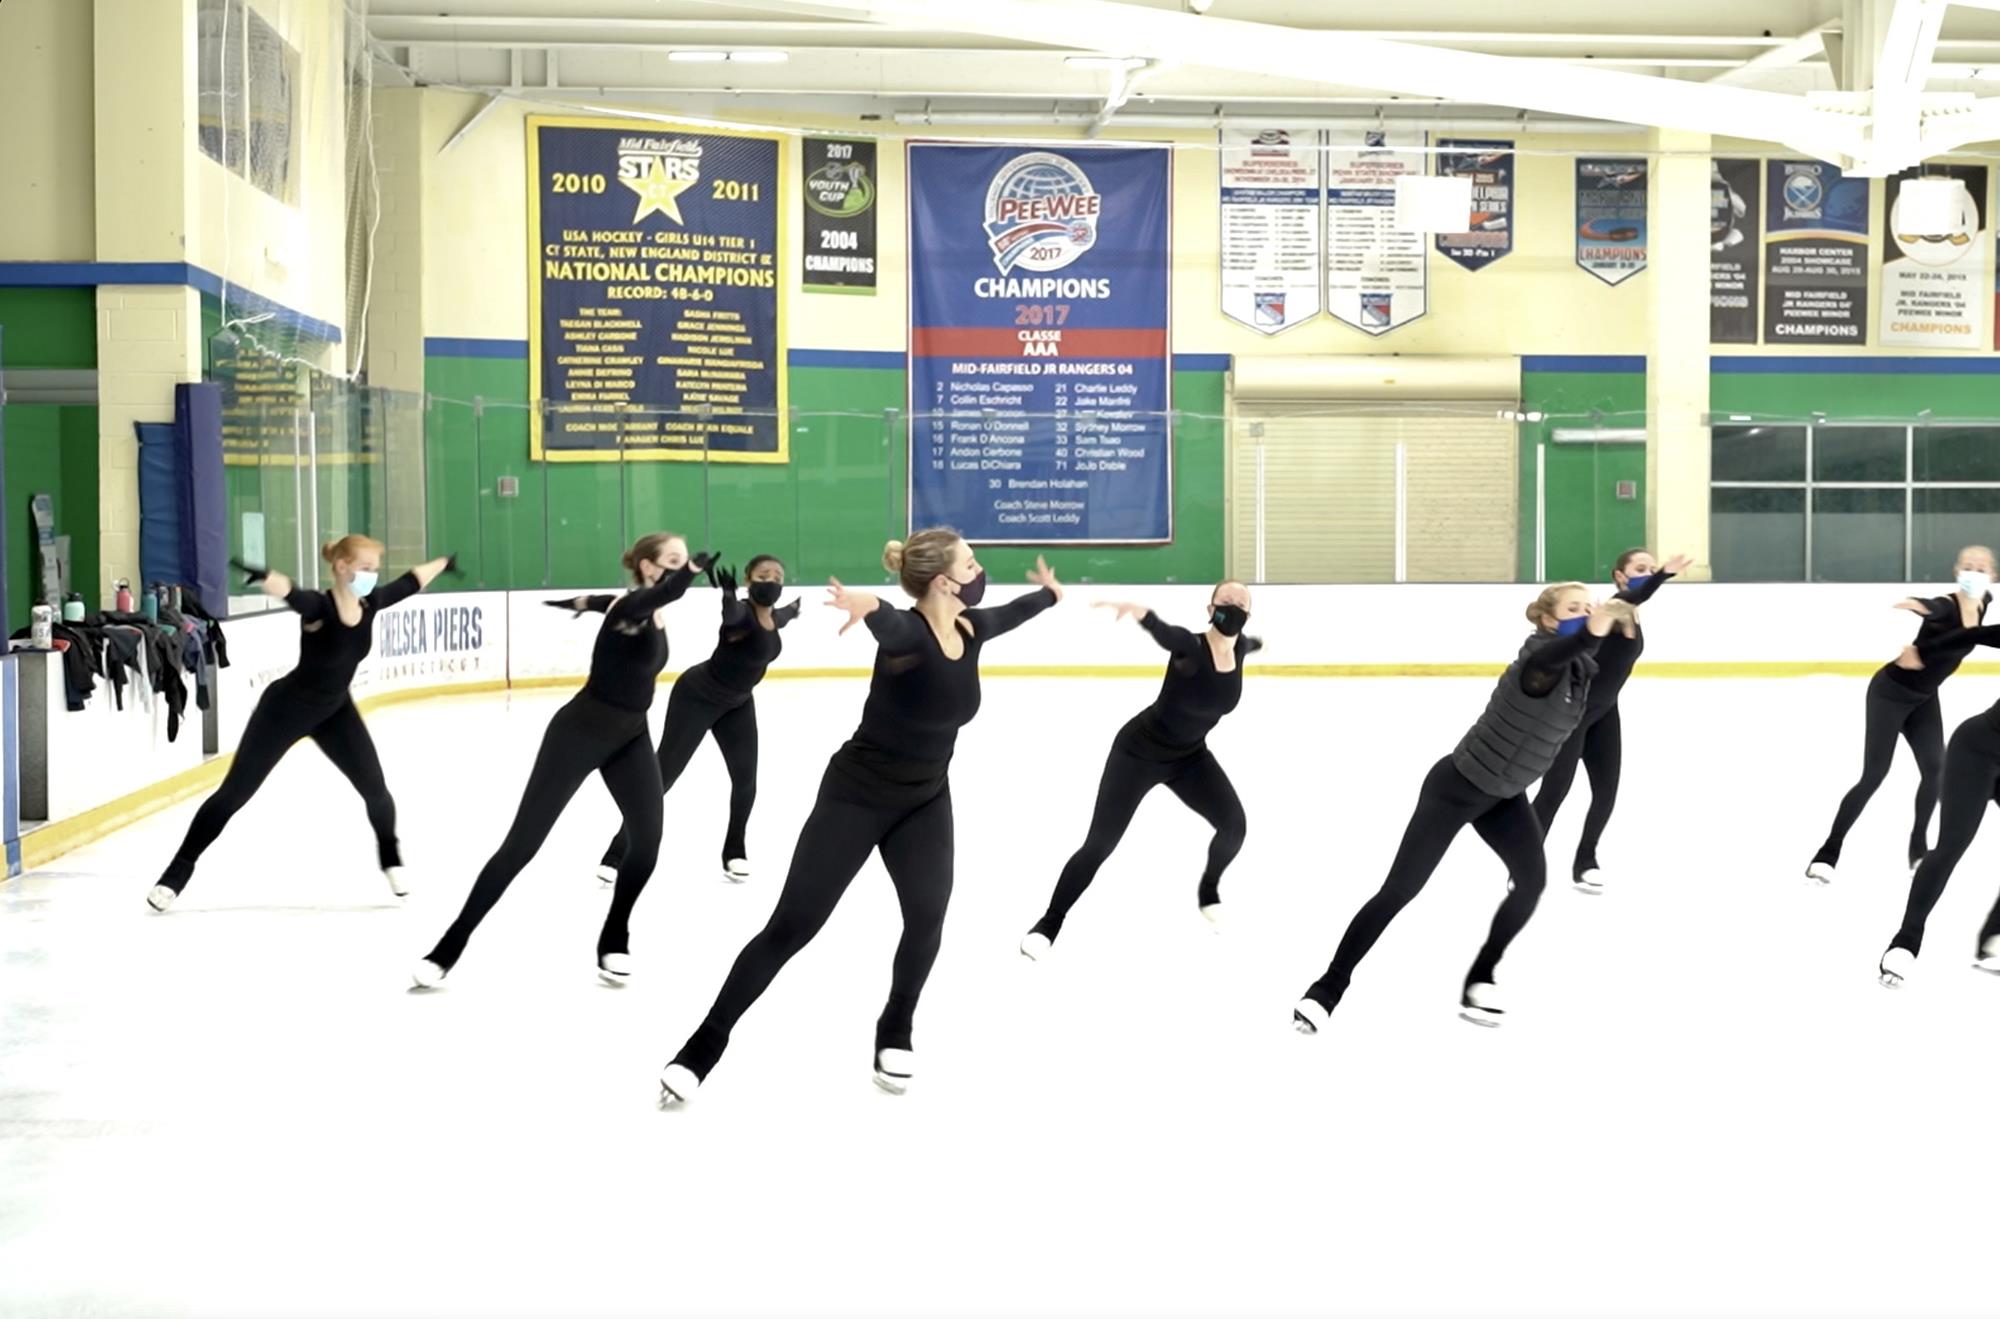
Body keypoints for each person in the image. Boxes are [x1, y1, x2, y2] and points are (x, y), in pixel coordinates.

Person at [658, 530, 1061, 1105]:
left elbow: (1013, 612)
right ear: (944, 580)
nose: (979, 572)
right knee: (792, 927)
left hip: (924, 799)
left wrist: (1049, 595)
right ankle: (704, 1043)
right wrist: (867, 607)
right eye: (971, 563)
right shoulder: (907, 638)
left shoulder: (969, 630)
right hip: (856, 796)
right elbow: (890, 621)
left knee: (927, 918)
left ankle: (895, 1026)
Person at [1293, 585, 1636, 1033]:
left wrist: (1658, 577)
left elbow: (1614, 636)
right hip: (1455, 789)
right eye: (1575, 609)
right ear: (1550, 620)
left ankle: (1481, 977)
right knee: (1400, 890)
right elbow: (1569, 649)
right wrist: (1594, 626)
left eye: (1590, 608)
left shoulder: (1580, 673)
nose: (1587, 614)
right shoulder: (1539, 663)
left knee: (1532, 884)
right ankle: (1327, 988)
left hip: (1505, 797)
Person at [412, 533, 713, 987]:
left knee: (647, 841)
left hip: (631, 734)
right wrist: (689, 575)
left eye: (685, 559)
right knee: (522, 846)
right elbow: (645, 597)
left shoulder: (641, 609)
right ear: (649, 568)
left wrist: (573, 602)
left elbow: (598, 599)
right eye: (673, 559)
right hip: (579, 733)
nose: (682, 565)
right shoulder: (630, 610)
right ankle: (448, 945)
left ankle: (614, 937)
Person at [145, 536, 455, 911]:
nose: (373, 577)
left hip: (335, 710)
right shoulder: (320, 608)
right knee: (233, 795)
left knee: (376, 790)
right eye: (366, 569)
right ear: (342, 567)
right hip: (284, 711)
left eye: (375, 570)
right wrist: (264, 576)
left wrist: (443, 561)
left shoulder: (371, 603)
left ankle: (391, 859)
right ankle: (175, 874)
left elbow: (410, 582)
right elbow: (293, 594)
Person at [1020, 582, 1257, 957]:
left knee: (1235, 827)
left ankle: (1208, 890)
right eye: (1226, 602)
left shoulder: (1241, 648)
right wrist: (1142, 614)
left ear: (1249, 613)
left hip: (1190, 757)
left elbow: (1250, 643)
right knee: (1100, 844)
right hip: (1138, 753)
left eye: (1241, 603)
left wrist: (1258, 643)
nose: (1234, 607)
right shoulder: (1191, 649)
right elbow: (1168, 634)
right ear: (1210, 610)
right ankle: (1049, 923)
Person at [594, 555, 800, 886]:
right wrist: (728, 596)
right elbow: (731, 617)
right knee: (662, 779)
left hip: (737, 704)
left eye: (778, 575)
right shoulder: (741, 617)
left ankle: (735, 851)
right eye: (764, 575)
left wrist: (795, 609)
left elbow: (784, 616)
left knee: (746, 780)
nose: (772, 580)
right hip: (697, 697)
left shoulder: (773, 617)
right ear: (748, 580)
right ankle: (617, 852)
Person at [1806, 546, 1996, 885]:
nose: (1974, 572)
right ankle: (1828, 852)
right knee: (1875, 775)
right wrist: (1917, 605)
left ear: (1993, 576)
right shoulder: (1945, 606)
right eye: (1968, 566)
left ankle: (1918, 848)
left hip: (1924, 698)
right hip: (1890, 693)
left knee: (1935, 770)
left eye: (1981, 567)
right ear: (1956, 570)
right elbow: (1932, 608)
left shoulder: (1984, 604)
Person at [1532, 549, 1688, 894]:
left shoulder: (1632, 615)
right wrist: (1663, 574)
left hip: (1605, 713)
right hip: (1572, 715)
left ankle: (1585, 861)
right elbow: (1636, 595)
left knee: (1606, 793)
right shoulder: (1610, 610)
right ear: (1620, 576)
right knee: (1554, 792)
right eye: (1639, 568)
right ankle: (1526, 862)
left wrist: (1656, 576)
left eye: (1650, 567)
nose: (1646, 573)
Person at [1873, 614, 2000, 985]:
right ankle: (1905, 944)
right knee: (1950, 847)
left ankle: (1991, 939)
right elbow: (1973, 633)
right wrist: (1922, 651)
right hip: (1976, 751)